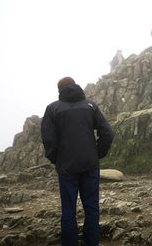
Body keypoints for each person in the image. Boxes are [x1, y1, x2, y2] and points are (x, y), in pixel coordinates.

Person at [41, 77, 114, 246]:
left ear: (59, 90)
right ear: (75, 85)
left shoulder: (53, 109)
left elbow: (48, 139)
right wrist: (97, 154)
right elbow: (108, 133)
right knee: (92, 209)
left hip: (66, 167)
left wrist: (56, 159)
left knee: (68, 211)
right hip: (90, 164)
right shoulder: (90, 106)